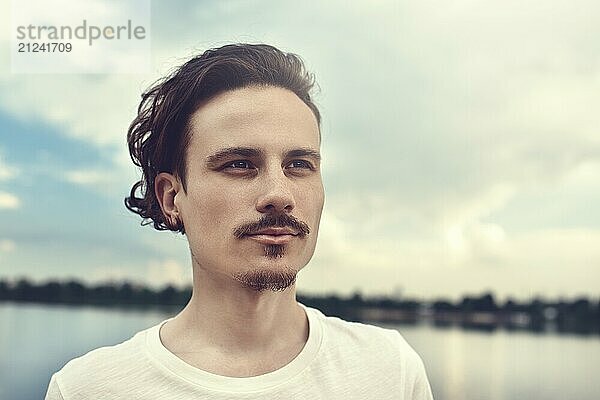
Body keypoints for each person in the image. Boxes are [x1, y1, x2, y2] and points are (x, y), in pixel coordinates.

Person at [45, 43, 434, 399]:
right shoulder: (88, 389)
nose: (279, 193)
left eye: (299, 165)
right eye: (240, 165)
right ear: (171, 198)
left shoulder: (389, 371)